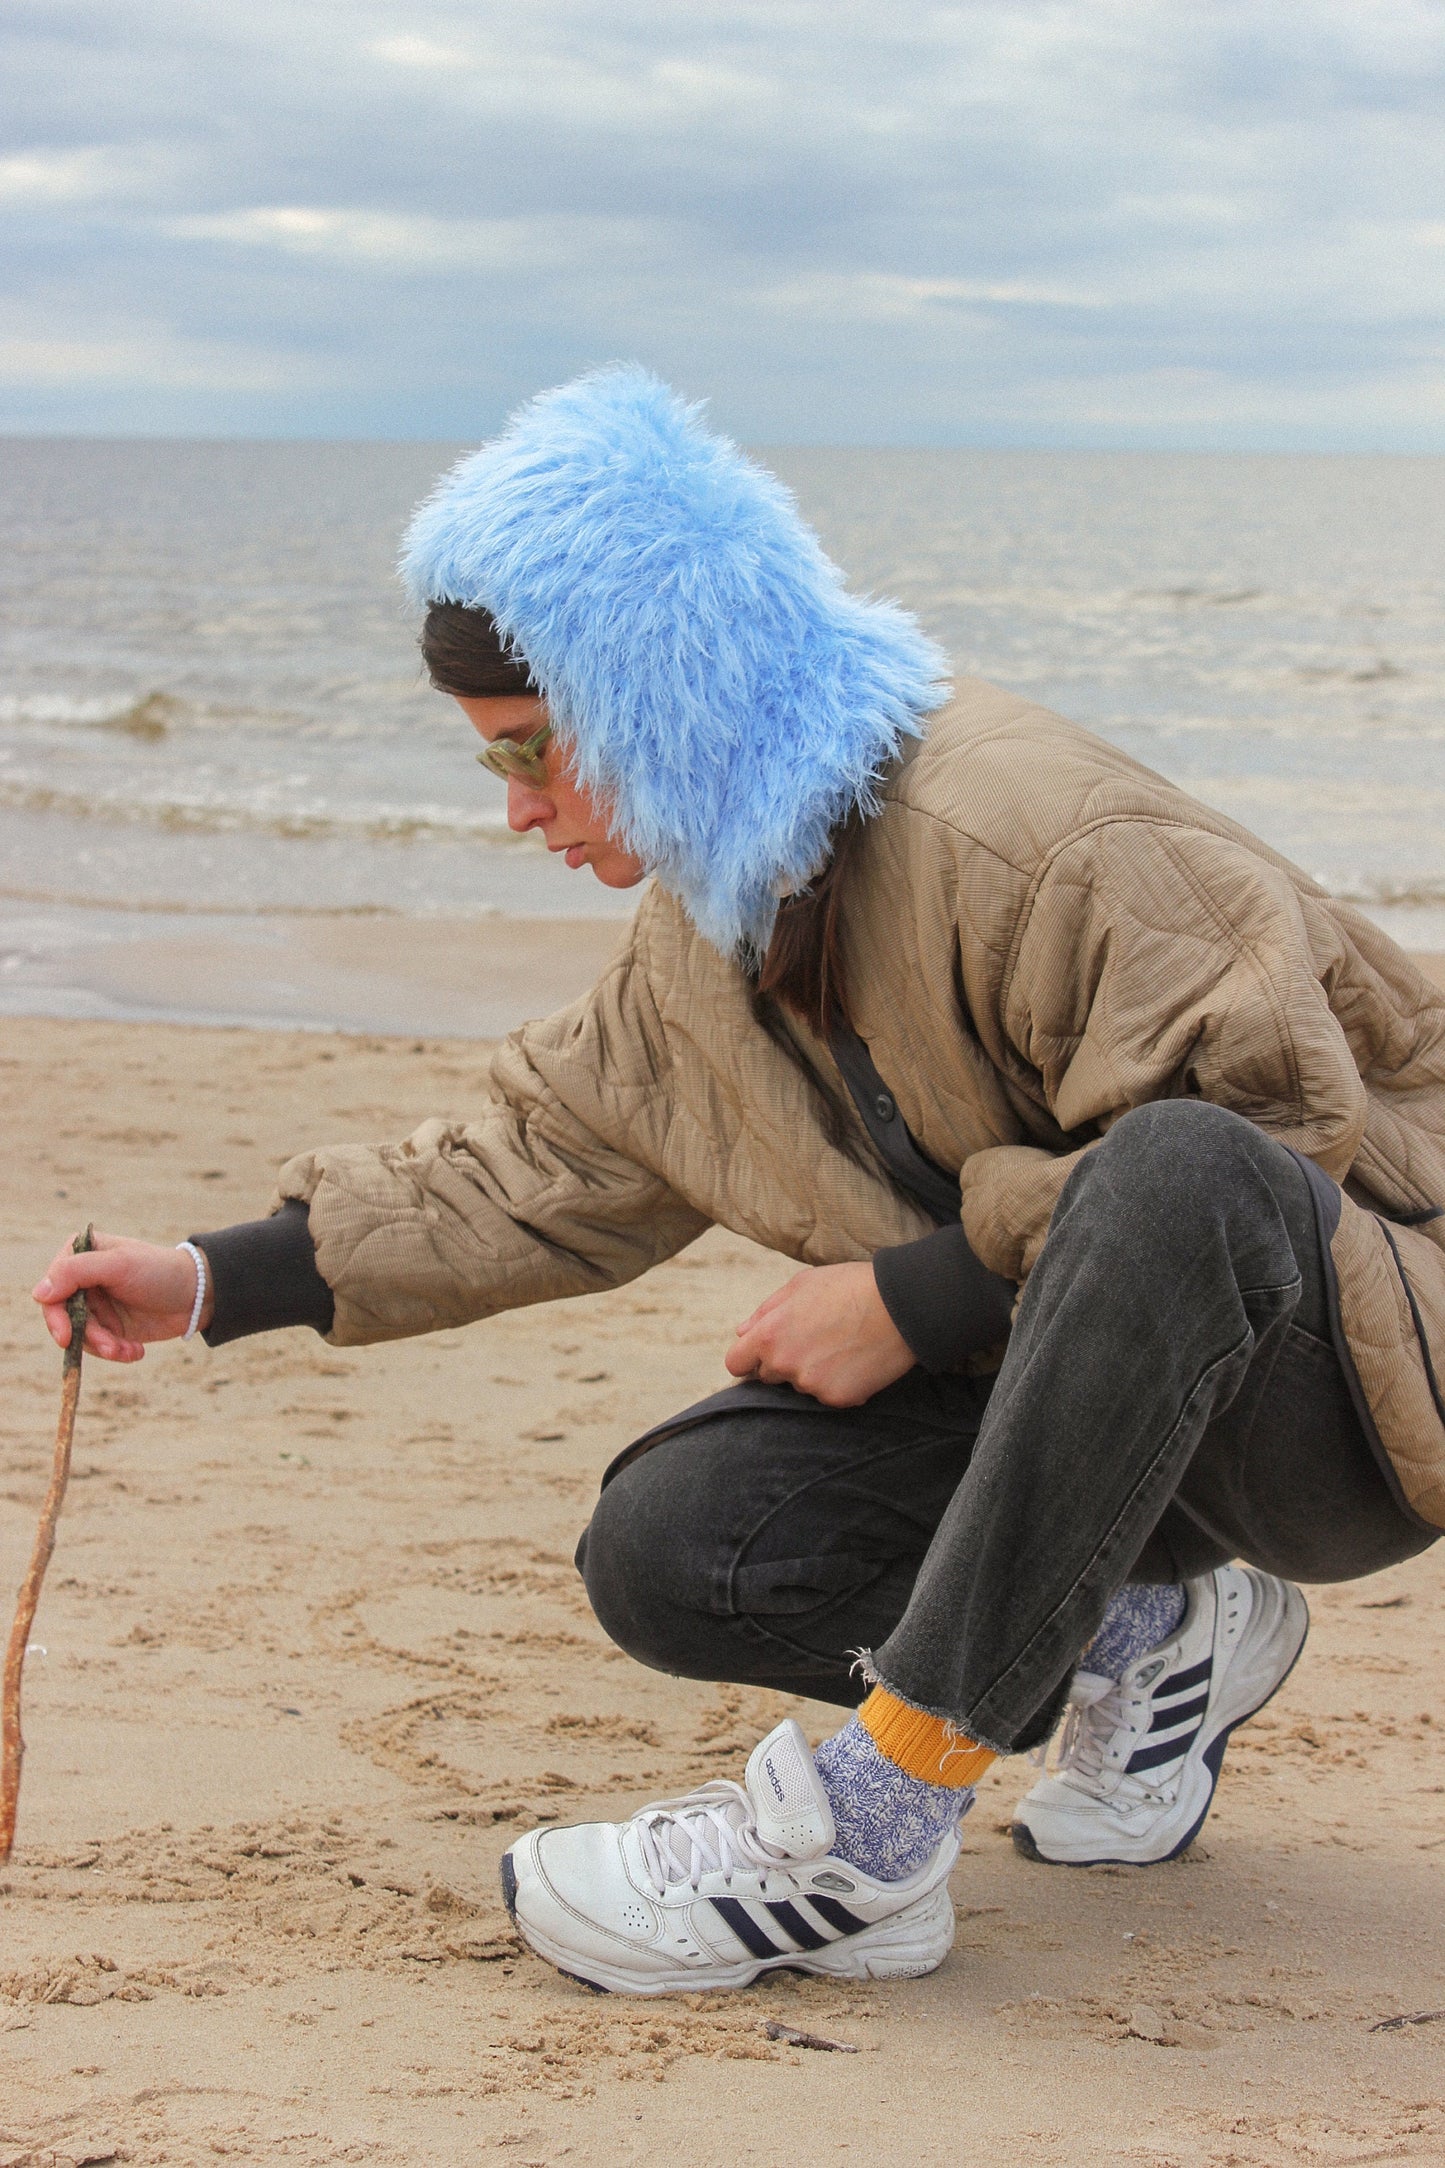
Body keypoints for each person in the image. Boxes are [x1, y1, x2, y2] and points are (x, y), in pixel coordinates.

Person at [34, 368, 1444, 2000]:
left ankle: (867, 1838)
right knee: (681, 1544)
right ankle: (1153, 1629)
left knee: (1178, 1166)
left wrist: (914, 1298)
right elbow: (540, 1154)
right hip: (1102, 1410)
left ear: (652, 690)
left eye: (531, 753)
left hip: (1355, 1382)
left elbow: (1256, 1147)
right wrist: (214, 1277)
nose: (515, 813)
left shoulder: (1023, 826)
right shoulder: (714, 919)